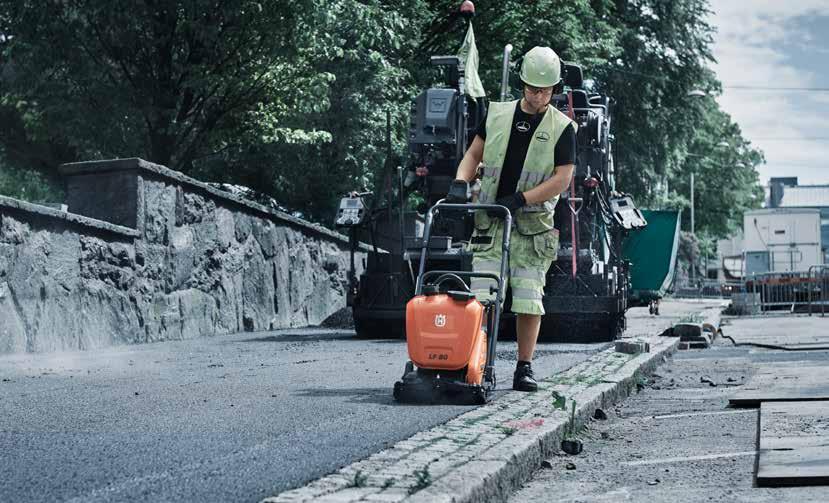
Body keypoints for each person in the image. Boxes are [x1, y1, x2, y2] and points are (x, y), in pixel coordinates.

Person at [447, 46, 576, 391]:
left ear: (555, 89)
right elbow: (473, 155)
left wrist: (521, 199)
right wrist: (460, 183)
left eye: (545, 90)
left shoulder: (563, 127)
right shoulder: (497, 113)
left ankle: (524, 367)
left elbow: (562, 179)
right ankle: (476, 363)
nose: (538, 96)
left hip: (532, 229)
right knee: (484, 298)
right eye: (533, 89)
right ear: (523, 83)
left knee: (529, 300)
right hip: (491, 222)